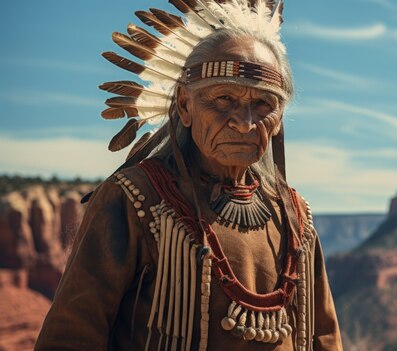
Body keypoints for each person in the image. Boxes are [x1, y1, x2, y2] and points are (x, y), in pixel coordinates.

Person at [35, 1, 343, 350]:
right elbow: (70, 338)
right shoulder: (136, 202)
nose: (244, 122)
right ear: (184, 105)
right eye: (224, 99)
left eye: (263, 104)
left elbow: (324, 338)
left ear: (280, 117)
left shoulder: (295, 218)